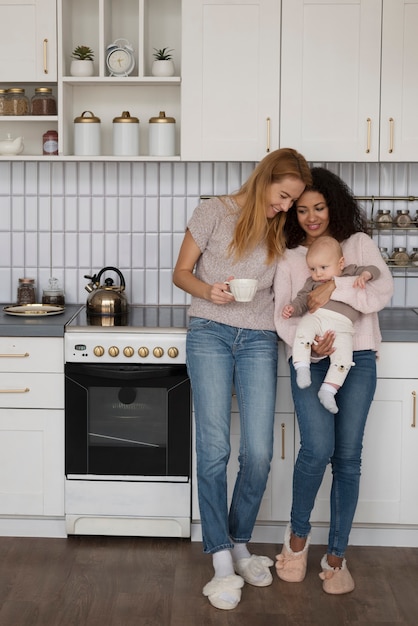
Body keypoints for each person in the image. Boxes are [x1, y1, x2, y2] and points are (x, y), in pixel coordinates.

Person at [172, 148, 312, 611]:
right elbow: (181, 273)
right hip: (209, 331)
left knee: (259, 451)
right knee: (214, 448)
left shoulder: (281, 227)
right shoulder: (213, 210)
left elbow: (307, 271)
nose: (287, 206)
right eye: (284, 195)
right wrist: (209, 291)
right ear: (266, 179)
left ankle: (238, 540)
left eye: (293, 201)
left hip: (258, 339)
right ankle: (219, 557)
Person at [274, 167, 393, 595]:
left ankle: (337, 555)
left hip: (358, 359)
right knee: (316, 450)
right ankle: (298, 538)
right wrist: (312, 348)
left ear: (333, 206)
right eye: (302, 209)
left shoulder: (358, 245)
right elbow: (283, 317)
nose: (311, 217)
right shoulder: (289, 257)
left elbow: (380, 293)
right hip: (312, 360)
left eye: (319, 207)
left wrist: (333, 285)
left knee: (347, 457)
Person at [282, 235, 380, 414]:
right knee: (303, 331)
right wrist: (292, 309)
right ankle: (302, 367)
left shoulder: (351, 273)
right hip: (317, 318)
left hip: (343, 328)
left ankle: (328, 390)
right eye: (312, 268)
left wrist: (365, 275)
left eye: (323, 267)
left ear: (341, 263)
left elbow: (375, 270)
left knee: (343, 360)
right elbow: (302, 300)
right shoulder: (312, 283)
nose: (318, 273)